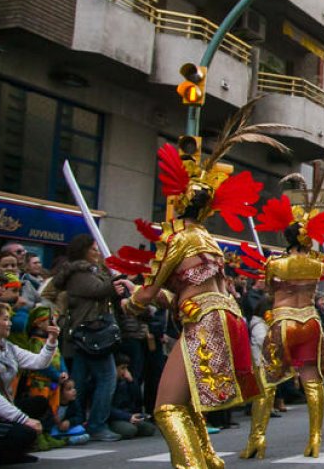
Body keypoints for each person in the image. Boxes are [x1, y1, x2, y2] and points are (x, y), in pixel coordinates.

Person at [109, 124, 268, 469]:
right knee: (188, 401)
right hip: (226, 316)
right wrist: (163, 298)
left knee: (166, 409)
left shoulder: (177, 238)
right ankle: (209, 459)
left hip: (204, 319)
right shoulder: (209, 240)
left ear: (180, 200)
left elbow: (148, 293)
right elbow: (181, 291)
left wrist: (131, 298)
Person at [238, 188, 324, 459]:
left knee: (267, 382)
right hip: (311, 323)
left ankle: (257, 438)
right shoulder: (317, 265)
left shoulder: (276, 264)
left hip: (283, 322)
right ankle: (315, 439)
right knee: (312, 381)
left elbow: (270, 291)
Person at [46, 234, 128, 443]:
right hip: (91, 333)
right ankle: (97, 424)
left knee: (79, 382)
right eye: (93, 249)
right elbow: (97, 290)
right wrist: (115, 282)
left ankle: (76, 420)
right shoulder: (80, 273)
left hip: (88, 333)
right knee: (107, 378)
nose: (97, 252)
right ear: (83, 251)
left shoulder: (91, 271)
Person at [0, 298, 60, 464]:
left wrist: (51, 340)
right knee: (25, 432)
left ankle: (11, 454)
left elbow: (39, 362)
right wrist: (24, 419)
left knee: (39, 403)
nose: (9, 323)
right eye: (4, 319)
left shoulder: (7, 347)